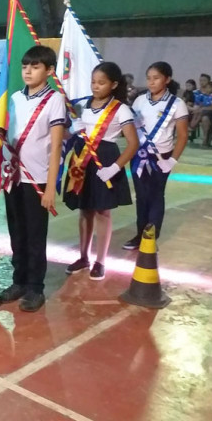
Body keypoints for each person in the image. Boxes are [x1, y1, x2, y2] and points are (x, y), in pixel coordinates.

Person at [0, 45, 66, 312]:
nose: (28, 71)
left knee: (36, 235)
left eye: (35, 66)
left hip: (36, 179)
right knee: (17, 232)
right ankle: (19, 280)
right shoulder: (13, 98)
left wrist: (50, 186)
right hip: (12, 176)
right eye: (25, 66)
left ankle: (36, 287)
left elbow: (56, 147)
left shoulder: (54, 100)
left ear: (49, 71)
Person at [63, 63, 138, 280]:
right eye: (93, 82)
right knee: (84, 209)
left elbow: (133, 144)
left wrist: (115, 167)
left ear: (114, 84)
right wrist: (72, 131)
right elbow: (70, 136)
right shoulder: (84, 105)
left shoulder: (121, 109)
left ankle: (100, 261)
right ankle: (83, 257)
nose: (96, 86)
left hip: (105, 159)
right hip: (81, 160)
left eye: (101, 83)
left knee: (103, 212)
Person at [123, 62, 189, 250]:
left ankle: (151, 236)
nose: (151, 82)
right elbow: (131, 129)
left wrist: (172, 160)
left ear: (167, 80)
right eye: (149, 78)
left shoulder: (177, 104)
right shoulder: (139, 101)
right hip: (139, 155)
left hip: (161, 157)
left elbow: (183, 135)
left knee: (156, 195)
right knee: (141, 196)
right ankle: (139, 234)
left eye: (156, 78)